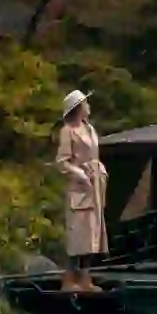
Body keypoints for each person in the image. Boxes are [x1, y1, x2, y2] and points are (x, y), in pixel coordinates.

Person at [55, 88, 108, 292]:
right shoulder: (68, 131)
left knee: (92, 235)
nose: (88, 105)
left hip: (94, 186)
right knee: (77, 235)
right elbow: (61, 162)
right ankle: (69, 279)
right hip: (80, 186)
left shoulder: (90, 129)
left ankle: (86, 278)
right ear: (78, 108)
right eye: (85, 102)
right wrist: (79, 173)